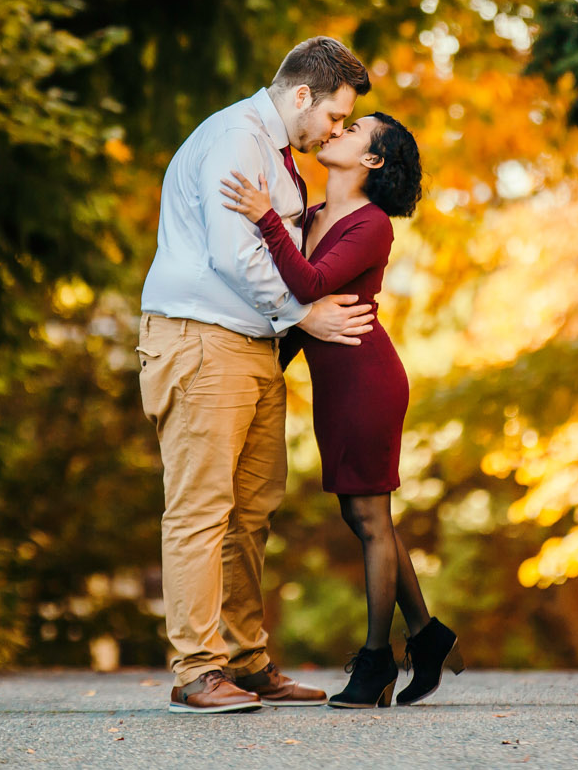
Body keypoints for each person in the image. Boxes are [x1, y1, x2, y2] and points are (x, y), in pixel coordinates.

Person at [137, 37, 378, 714]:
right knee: (202, 509)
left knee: (252, 511)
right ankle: (197, 666)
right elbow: (231, 255)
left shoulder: (275, 153)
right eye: (334, 116)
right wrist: (308, 314)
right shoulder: (236, 139)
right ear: (302, 95)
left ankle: (245, 661)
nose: (335, 130)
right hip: (199, 341)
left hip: (252, 346)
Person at [219, 111, 464, 709]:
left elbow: (309, 284)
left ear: (372, 160)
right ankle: (428, 638)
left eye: (353, 129)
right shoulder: (316, 215)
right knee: (365, 517)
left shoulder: (371, 224)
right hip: (337, 385)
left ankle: (377, 660)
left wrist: (265, 220)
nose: (337, 130)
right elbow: (303, 314)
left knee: (371, 520)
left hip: (367, 380)